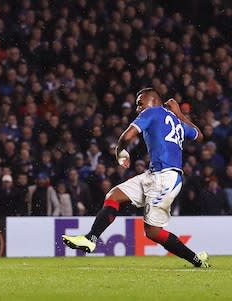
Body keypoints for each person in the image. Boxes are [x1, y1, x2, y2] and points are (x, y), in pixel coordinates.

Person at [62, 88, 210, 268]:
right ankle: (90, 238)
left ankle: (196, 260)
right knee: (114, 195)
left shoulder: (152, 112)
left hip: (166, 178)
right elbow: (200, 136)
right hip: (154, 174)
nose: (138, 108)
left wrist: (119, 151)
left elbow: (127, 136)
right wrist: (179, 114)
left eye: (140, 103)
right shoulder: (176, 121)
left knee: (153, 232)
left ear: (154, 101)